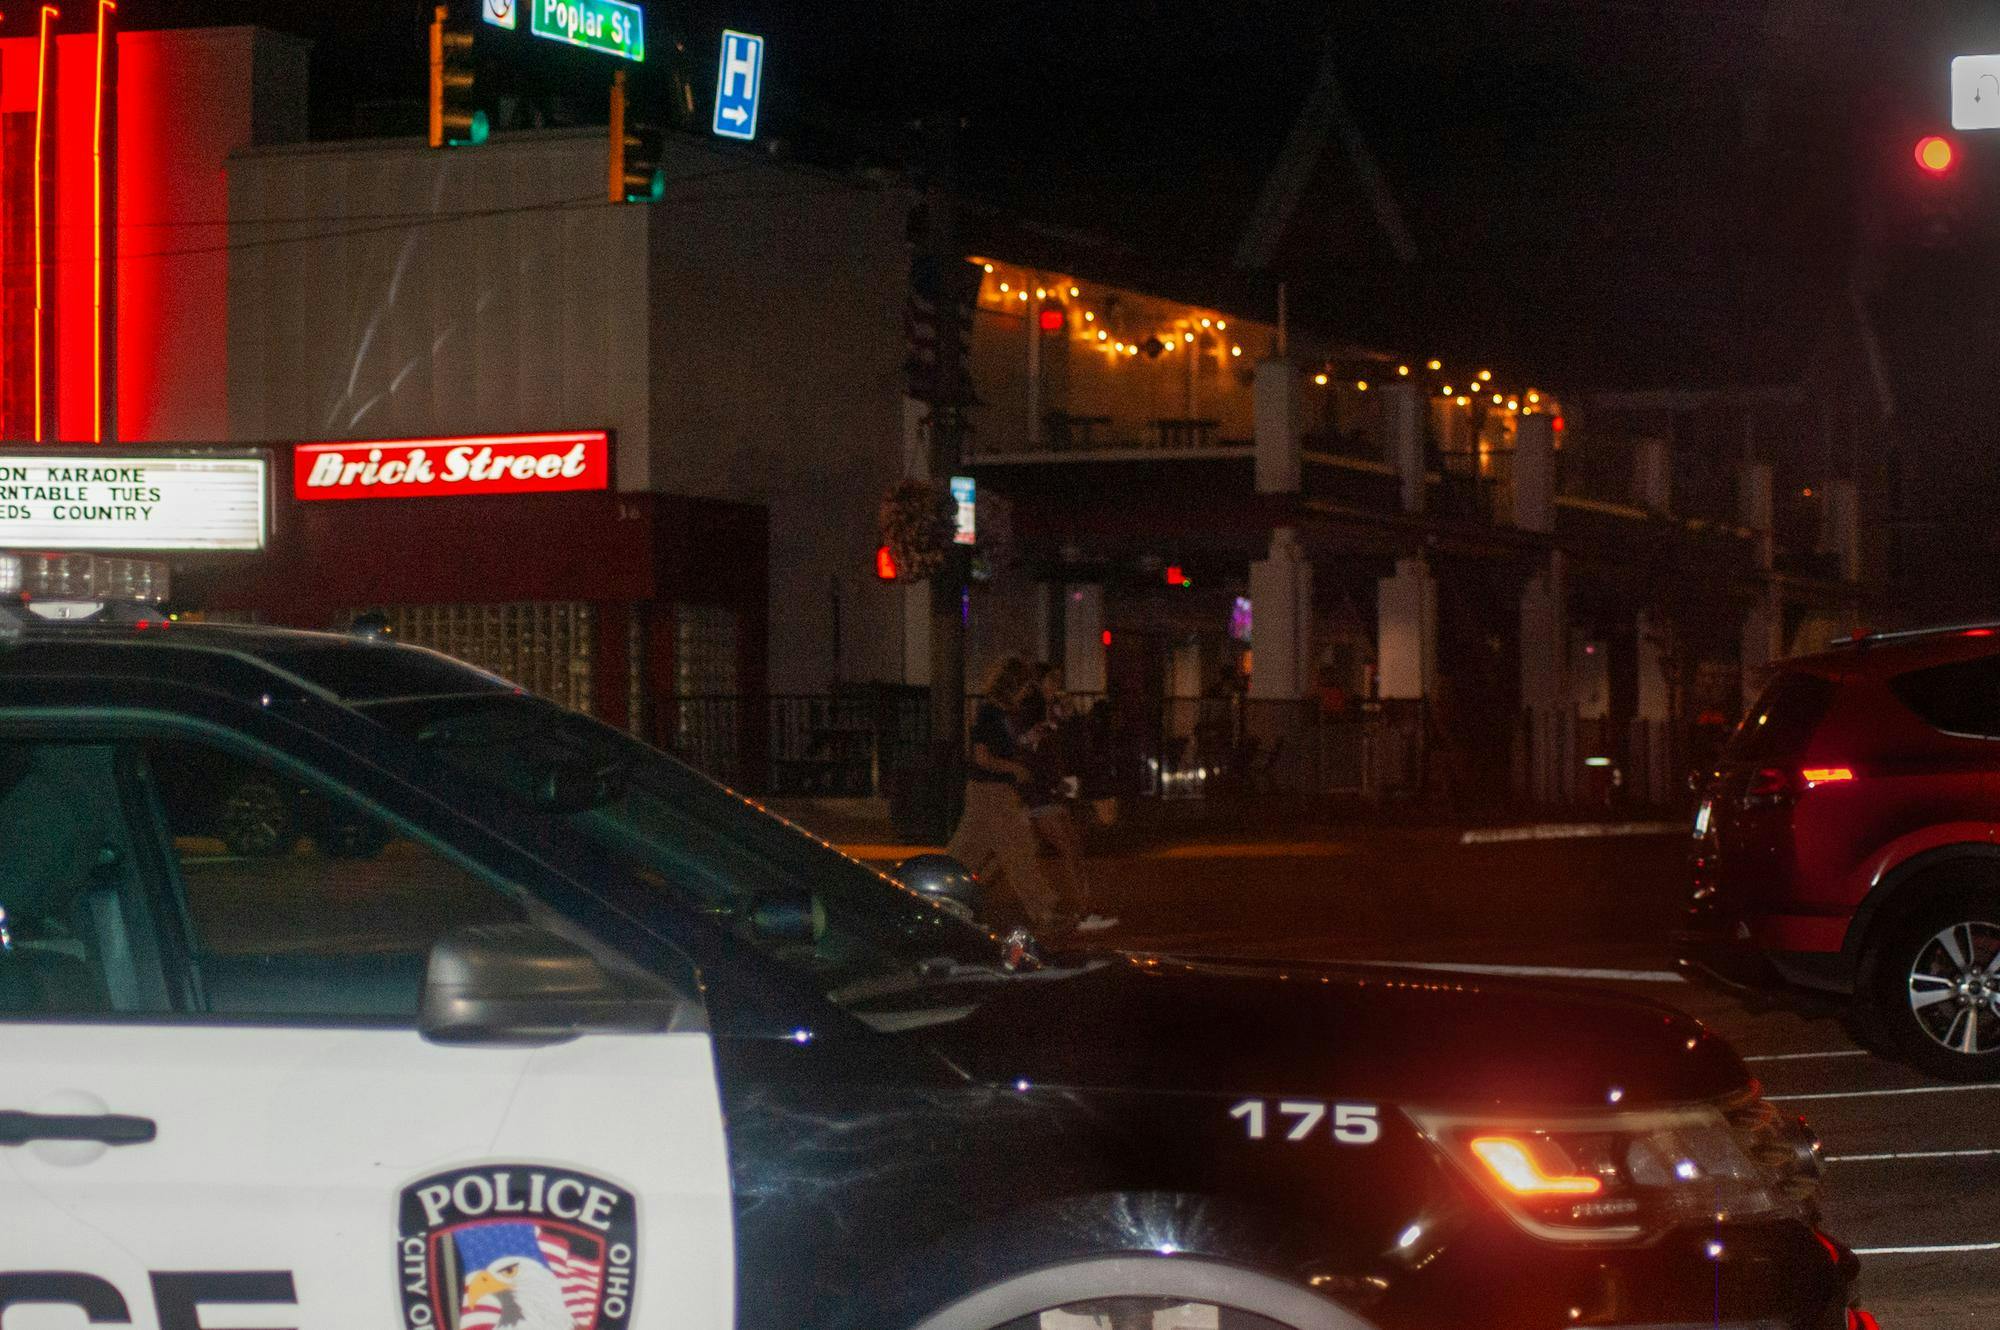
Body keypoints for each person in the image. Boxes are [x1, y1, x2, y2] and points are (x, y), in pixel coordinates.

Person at [947, 656, 1058, 933]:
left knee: (964, 854)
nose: (1024, 694)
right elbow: (982, 757)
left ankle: (935, 895)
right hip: (992, 791)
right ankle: (1044, 911)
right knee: (1019, 849)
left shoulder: (997, 713)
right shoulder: (989, 713)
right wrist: (1014, 769)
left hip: (987, 791)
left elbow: (994, 751)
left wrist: (1025, 742)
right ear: (1011, 686)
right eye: (1022, 687)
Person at [1018, 664, 1117, 934]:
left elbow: (1073, 743)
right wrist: (1053, 783)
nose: (1058, 686)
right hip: (1040, 794)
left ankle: (1072, 910)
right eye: (1053, 681)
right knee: (1068, 849)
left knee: (1024, 853)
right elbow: (1032, 755)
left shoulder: (1052, 712)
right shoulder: (1031, 713)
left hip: (1049, 792)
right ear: (1040, 684)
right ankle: (1080, 913)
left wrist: (1071, 718)